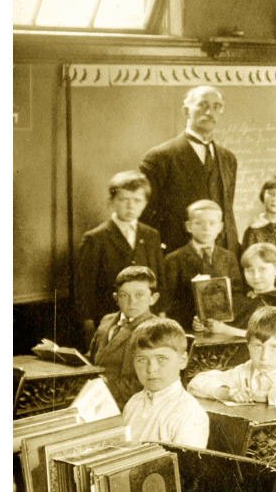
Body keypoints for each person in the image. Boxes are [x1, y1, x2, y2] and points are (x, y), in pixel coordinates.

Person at [188, 305, 276, 452]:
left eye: (274, 347)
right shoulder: (247, 369)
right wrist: (227, 392)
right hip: (267, 450)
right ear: (248, 345)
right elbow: (196, 383)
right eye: (257, 346)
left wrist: (264, 396)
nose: (264, 356)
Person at [140, 85, 238, 254]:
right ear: (186, 112)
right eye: (203, 105)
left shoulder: (228, 158)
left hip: (223, 255)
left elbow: (227, 210)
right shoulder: (160, 157)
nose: (209, 112)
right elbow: (147, 218)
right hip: (179, 256)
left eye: (216, 107)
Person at [75, 170, 163, 342]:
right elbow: (84, 288)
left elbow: (160, 278)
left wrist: (161, 314)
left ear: (145, 203)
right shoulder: (95, 238)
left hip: (146, 319)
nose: (131, 207)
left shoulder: (151, 235)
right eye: (123, 200)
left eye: (137, 201)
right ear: (111, 202)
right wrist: (88, 323)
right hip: (109, 319)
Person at [122, 317, 209, 449]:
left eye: (161, 358)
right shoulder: (133, 402)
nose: (151, 369)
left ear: (182, 361)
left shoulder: (189, 414)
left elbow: (184, 468)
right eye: (142, 360)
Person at [159, 200, 243, 327]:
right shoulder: (173, 259)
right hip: (186, 325)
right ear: (188, 226)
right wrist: (190, 320)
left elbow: (237, 292)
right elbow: (167, 299)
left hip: (223, 326)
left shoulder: (228, 257)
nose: (206, 228)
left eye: (212, 223)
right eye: (199, 223)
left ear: (220, 227)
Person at [88, 265, 161, 409]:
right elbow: (93, 358)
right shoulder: (107, 321)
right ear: (115, 298)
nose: (131, 301)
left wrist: (100, 388)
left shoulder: (157, 329)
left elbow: (149, 381)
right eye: (124, 295)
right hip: (95, 396)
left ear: (153, 298)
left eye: (139, 295)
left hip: (129, 403)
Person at [201, 242, 276, 337]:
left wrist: (224, 329)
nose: (256, 276)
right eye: (249, 270)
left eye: (262, 269)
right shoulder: (241, 297)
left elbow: (267, 336)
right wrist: (207, 325)